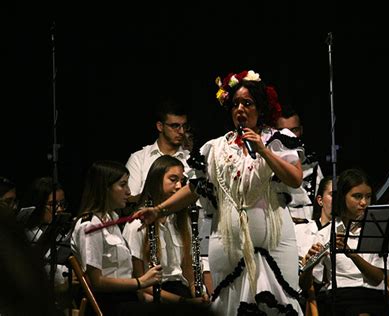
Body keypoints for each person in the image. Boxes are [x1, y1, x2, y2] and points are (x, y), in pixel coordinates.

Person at [133, 70, 304, 315]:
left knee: (278, 304)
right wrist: (158, 210)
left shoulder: (278, 140)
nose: (240, 109)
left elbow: (295, 179)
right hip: (228, 244)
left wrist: (263, 150)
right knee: (230, 306)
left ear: (261, 107)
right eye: (235, 104)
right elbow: (194, 188)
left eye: (248, 103)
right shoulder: (215, 148)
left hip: (275, 243)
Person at [70, 160, 162, 316]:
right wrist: (141, 282)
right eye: (122, 185)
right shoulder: (89, 225)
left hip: (126, 298)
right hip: (107, 303)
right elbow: (96, 282)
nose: (128, 191)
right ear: (105, 188)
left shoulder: (111, 218)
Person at [300, 168, 389, 315]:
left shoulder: (377, 231)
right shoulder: (326, 233)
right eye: (357, 196)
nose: (364, 202)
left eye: (368, 197)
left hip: (374, 298)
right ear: (342, 197)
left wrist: (352, 255)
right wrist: (309, 265)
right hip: (340, 298)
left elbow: (377, 279)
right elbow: (306, 286)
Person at [122, 155, 209, 304]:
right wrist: (182, 302)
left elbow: (188, 270)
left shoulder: (181, 220)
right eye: (173, 180)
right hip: (155, 294)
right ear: (156, 182)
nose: (179, 187)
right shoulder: (137, 225)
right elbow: (139, 282)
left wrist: (197, 292)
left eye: (182, 181)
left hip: (180, 289)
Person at [125, 96, 193, 197]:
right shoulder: (139, 159)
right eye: (175, 126)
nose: (182, 131)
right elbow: (130, 200)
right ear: (160, 126)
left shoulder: (191, 160)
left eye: (184, 126)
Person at [275, 104, 324, 220]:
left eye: (294, 130)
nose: (289, 135)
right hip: (280, 221)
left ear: (301, 130)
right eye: (282, 131)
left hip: (309, 223)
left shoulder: (313, 165)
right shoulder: (268, 164)